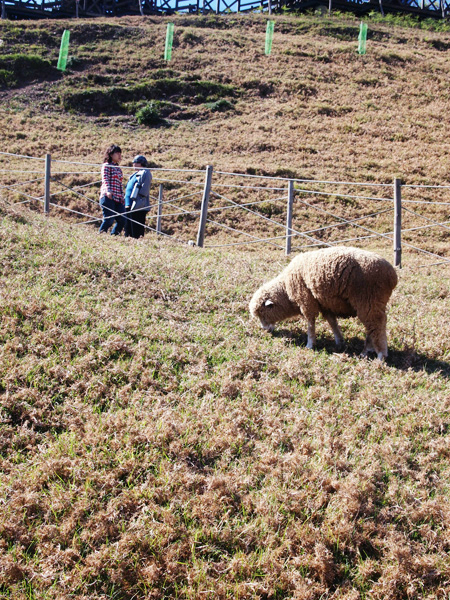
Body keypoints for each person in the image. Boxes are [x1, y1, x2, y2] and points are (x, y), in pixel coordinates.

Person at [98, 144, 125, 235]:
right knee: (109, 219)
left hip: (118, 198)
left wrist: (122, 196)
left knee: (122, 219)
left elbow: (119, 184)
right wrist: (108, 191)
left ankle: (114, 236)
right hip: (108, 196)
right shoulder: (106, 165)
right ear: (111, 154)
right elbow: (105, 179)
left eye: (120, 154)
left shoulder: (118, 168)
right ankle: (100, 236)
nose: (119, 156)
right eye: (117, 153)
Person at [124, 155, 152, 239]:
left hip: (138, 204)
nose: (134, 164)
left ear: (141, 163)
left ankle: (136, 242)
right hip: (128, 204)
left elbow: (145, 189)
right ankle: (128, 241)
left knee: (136, 228)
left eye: (135, 163)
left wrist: (139, 199)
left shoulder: (145, 172)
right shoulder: (134, 174)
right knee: (128, 227)